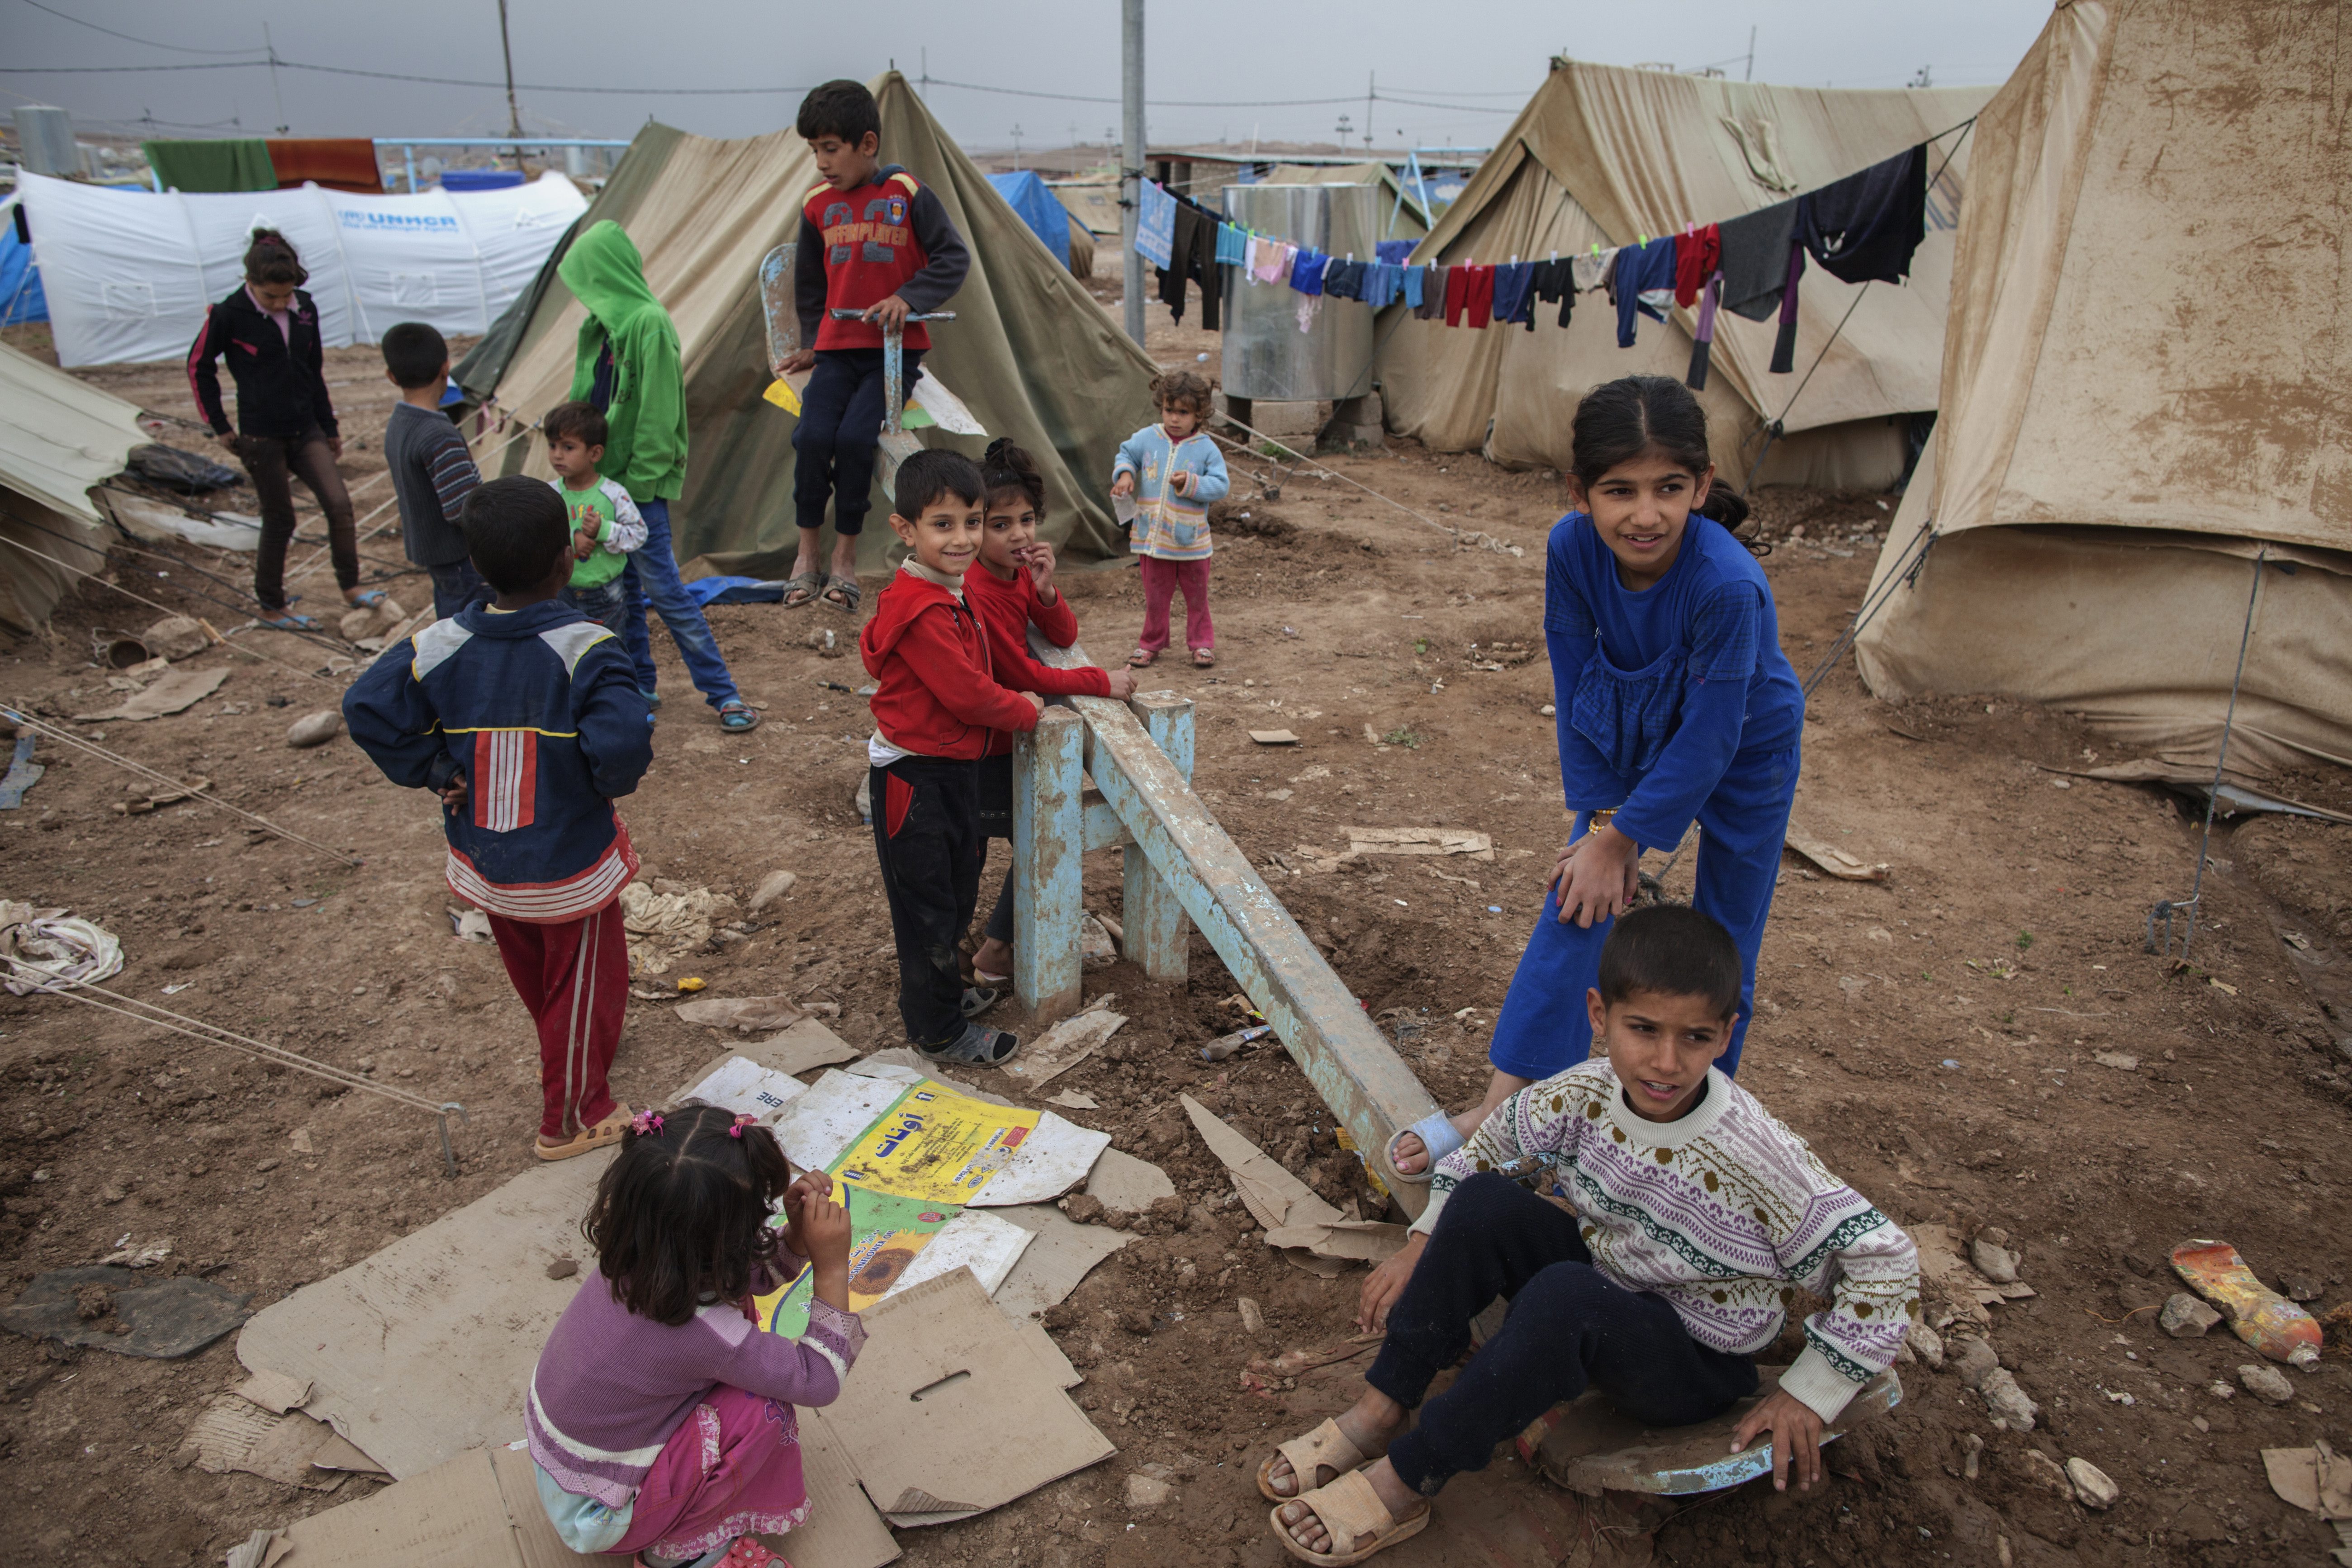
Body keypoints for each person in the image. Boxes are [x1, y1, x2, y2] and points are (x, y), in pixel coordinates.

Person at [1262, 906, 1918, 1565]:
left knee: (1566, 1293)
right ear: (1599, 1014)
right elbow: (1483, 1153)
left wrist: (1812, 1387)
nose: (1666, 1060)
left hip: (1692, 1360)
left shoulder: (1755, 1155)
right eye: (1643, 1028)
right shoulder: (1581, 1095)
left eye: (1694, 1036)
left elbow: (1885, 1263)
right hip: (1610, 1295)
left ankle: (1407, 1477)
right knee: (1485, 1201)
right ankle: (1380, 1407)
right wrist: (1423, 1243)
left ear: (1726, 1034)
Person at [1389, 374, 1802, 1180]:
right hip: (1629, 725)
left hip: (1746, 742)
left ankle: (1690, 1134)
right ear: (1581, 493)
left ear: (1702, 487)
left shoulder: (1726, 585)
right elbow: (1576, 681)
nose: (1645, 515)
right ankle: (1502, 1107)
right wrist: (1603, 826)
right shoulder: (1570, 550)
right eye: (1620, 490)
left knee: (1726, 930)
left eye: (1669, 489)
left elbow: (1714, 736)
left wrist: (1628, 838)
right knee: (1575, 900)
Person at [342, 477, 652, 1161]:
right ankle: (571, 1117)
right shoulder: (588, 646)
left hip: (487, 854)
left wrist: (435, 767)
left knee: (540, 973)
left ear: (477, 566)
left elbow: (365, 702)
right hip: (566, 857)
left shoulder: (440, 641)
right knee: (582, 977)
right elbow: (623, 749)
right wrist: (595, 781)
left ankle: (574, 1047)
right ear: (566, 560)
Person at [527, 1102, 859, 1568]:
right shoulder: (703, 1331)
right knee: (760, 1410)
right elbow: (819, 1379)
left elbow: (738, 1277)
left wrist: (797, 1235)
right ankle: (682, 1554)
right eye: (755, 1218)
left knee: (740, 1326)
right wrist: (832, 1266)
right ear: (724, 1240)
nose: (762, 1221)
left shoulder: (639, 1260)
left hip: (564, 1469)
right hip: (601, 1510)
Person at [858, 450, 1042, 1066]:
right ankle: (938, 1030)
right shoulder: (923, 608)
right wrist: (1026, 709)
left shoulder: (945, 591)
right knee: (928, 912)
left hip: (949, 767)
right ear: (905, 529)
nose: (962, 538)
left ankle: (946, 996)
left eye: (972, 520)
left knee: (956, 891)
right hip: (916, 779)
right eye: (944, 524)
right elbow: (965, 690)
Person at [556, 220, 759, 732]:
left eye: (589, 281)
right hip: (601, 485)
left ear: (606, 274)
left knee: (665, 591)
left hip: (634, 489)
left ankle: (724, 694)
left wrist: (640, 485)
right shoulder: (600, 329)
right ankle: (640, 685)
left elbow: (659, 414)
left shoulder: (648, 323)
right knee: (621, 593)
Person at [778, 78, 971, 614]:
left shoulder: (905, 191)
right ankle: (806, 554)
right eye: (814, 150)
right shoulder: (817, 205)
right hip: (838, 351)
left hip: (894, 354)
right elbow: (811, 287)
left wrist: (908, 298)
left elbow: (952, 258)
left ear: (867, 143)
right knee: (813, 436)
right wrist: (814, 345)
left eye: (830, 148)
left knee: (856, 438)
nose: (820, 162)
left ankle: (844, 559)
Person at [961, 439, 1137, 985]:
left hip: (1001, 732)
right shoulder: (977, 587)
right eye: (1000, 524)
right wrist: (1101, 681)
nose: (1019, 535)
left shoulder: (1014, 575)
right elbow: (1020, 673)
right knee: (1044, 833)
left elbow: (1062, 634)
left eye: (1028, 520)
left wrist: (1045, 588)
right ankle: (994, 954)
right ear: (975, 528)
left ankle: (987, 943)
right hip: (981, 744)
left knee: (1037, 836)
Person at [187, 229, 370, 629]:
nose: (280, 303)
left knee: (339, 505)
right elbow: (199, 366)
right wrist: (219, 424)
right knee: (280, 518)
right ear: (251, 283)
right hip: (260, 433)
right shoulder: (228, 314)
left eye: (286, 295)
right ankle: (272, 603)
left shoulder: (305, 308)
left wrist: (329, 424)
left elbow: (313, 368)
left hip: (306, 428)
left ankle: (352, 586)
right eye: (271, 297)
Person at [1112, 371, 1228, 669]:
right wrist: (1126, 475)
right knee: (1156, 597)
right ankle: (1151, 643)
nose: (1174, 418)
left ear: (1199, 414)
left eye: (1183, 412)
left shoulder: (1206, 448)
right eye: (1169, 410)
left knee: (1197, 597)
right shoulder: (1148, 438)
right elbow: (1127, 454)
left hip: (1192, 542)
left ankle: (1202, 643)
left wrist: (1190, 482)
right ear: (1161, 407)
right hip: (1154, 541)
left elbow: (1220, 485)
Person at [379, 321, 491, 621]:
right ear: (446, 368)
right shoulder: (438, 434)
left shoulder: (400, 422)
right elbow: (462, 509)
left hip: (434, 554)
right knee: (469, 625)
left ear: (392, 376)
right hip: (459, 556)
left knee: (450, 616)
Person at [543, 401, 648, 636]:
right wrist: (572, 540)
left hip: (606, 597)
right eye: (552, 446)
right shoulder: (550, 494)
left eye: (568, 448)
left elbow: (639, 534)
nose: (557, 455)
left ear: (595, 453)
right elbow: (539, 536)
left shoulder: (614, 494)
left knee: (606, 653)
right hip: (561, 591)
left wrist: (605, 530)